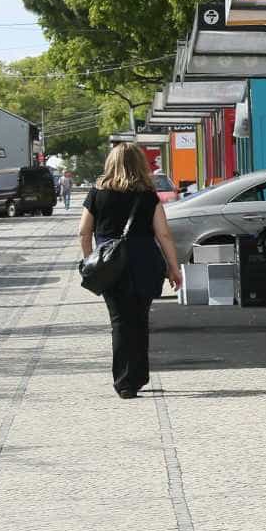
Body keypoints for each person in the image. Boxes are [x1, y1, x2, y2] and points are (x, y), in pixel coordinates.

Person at [78, 144, 184, 399]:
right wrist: (173, 267)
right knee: (140, 319)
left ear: (110, 163)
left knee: (120, 321)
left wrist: (90, 260)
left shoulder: (96, 193)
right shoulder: (147, 195)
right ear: (140, 164)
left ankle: (124, 381)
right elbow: (164, 234)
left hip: (110, 263)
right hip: (144, 260)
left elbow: (83, 231)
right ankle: (138, 376)